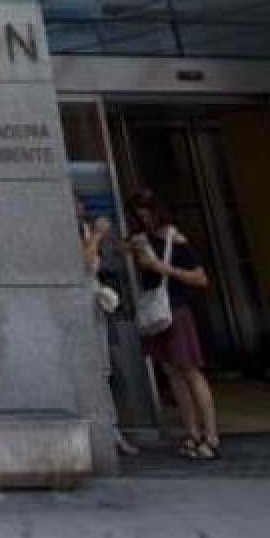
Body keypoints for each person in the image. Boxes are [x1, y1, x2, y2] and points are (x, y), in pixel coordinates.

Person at [127, 191, 220, 460]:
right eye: (137, 213)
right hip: (156, 312)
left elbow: (201, 278)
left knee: (190, 370)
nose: (142, 217)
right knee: (172, 373)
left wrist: (161, 267)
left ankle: (210, 434)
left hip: (176, 309)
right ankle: (191, 432)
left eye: (146, 211)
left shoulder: (174, 238)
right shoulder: (142, 239)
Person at [75, 193, 139, 456]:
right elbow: (87, 262)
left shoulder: (83, 228)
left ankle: (110, 429)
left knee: (103, 368)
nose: (82, 207)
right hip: (83, 305)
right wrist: (98, 236)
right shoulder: (76, 232)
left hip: (95, 304)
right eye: (78, 203)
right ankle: (107, 430)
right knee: (98, 367)